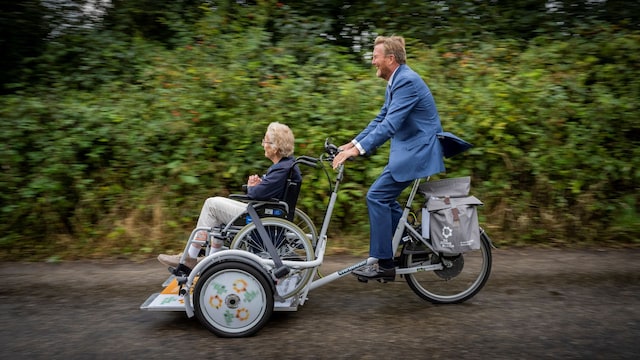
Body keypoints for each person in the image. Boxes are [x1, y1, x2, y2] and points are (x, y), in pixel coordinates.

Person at [332, 36, 445, 282]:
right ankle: (408, 237)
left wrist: (357, 151)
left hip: (418, 152)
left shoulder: (406, 82)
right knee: (383, 199)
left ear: (390, 59)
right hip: (409, 150)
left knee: (376, 196)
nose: (373, 61)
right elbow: (380, 119)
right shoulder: (396, 81)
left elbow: (391, 125)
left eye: (375, 57)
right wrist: (352, 143)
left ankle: (384, 264)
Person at [158, 122, 301, 269]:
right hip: (263, 212)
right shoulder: (286, 166)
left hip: (260, 217)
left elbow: (257, 194)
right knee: (215, 209)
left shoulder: (281, 169)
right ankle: (210, 260)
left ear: (275, 147)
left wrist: (252, 187)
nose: (263, 144)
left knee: (211, 205)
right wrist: (260, 185)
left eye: (265, 141)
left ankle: (191, 257)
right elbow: (267, 191)